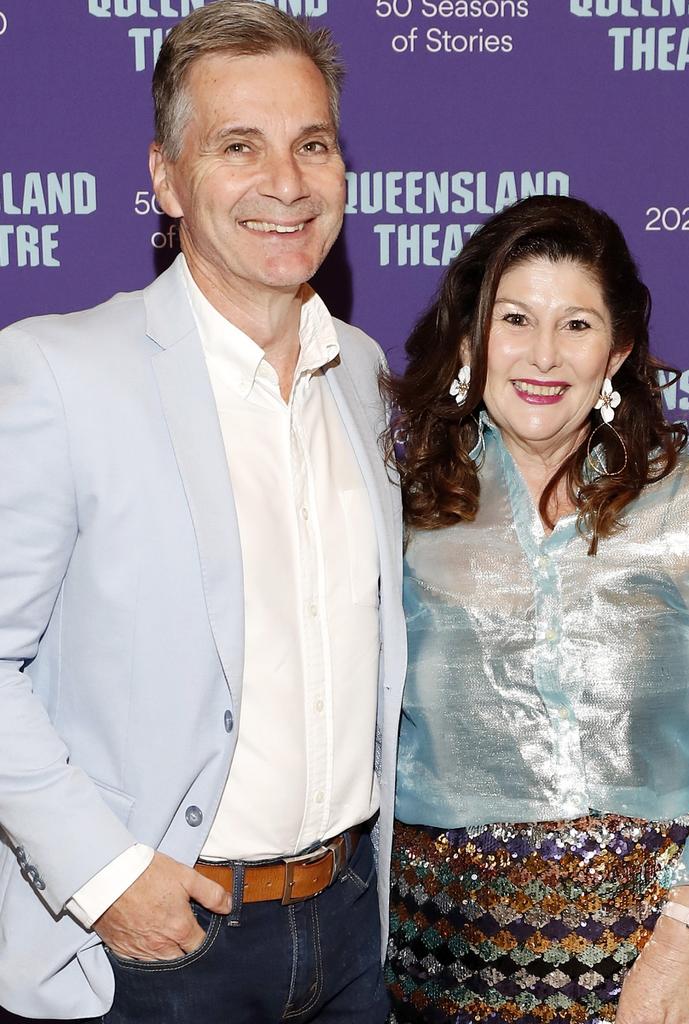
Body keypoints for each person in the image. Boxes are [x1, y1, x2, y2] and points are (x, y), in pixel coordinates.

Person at [0, 3, 406, 1022]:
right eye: (240, 146)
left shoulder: (358, 371)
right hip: (157, 944)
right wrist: (103, 875)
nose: (286, 182)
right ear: (166, 178)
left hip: (351, 930)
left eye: (313, 144)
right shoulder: (60, 372)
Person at [382, 194, 689, 1024]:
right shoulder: (401, 515)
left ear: (619, 349)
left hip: (665, 952)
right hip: (450, 957)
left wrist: (686, 939)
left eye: (579, 325)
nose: (543, 356)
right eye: (515, 318)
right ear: (470, 336)